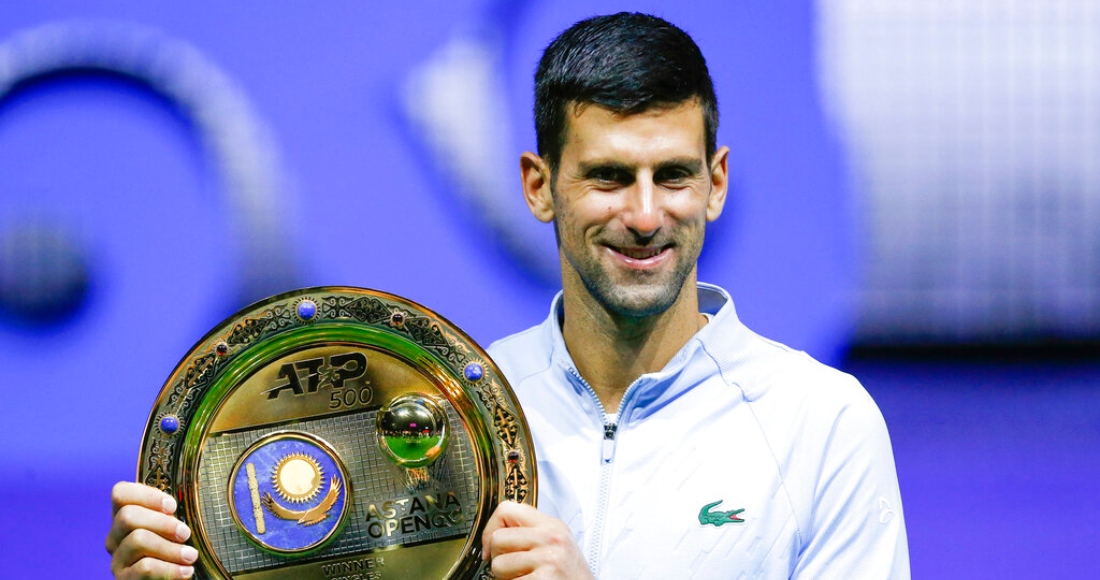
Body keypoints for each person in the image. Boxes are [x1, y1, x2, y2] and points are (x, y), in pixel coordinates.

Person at [107, 12, 909, 579]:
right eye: (605, 176)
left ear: (717, 183)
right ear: (538, 186)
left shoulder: (821, 421)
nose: (642, 214)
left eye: (672, 175)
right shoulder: (440, 409)